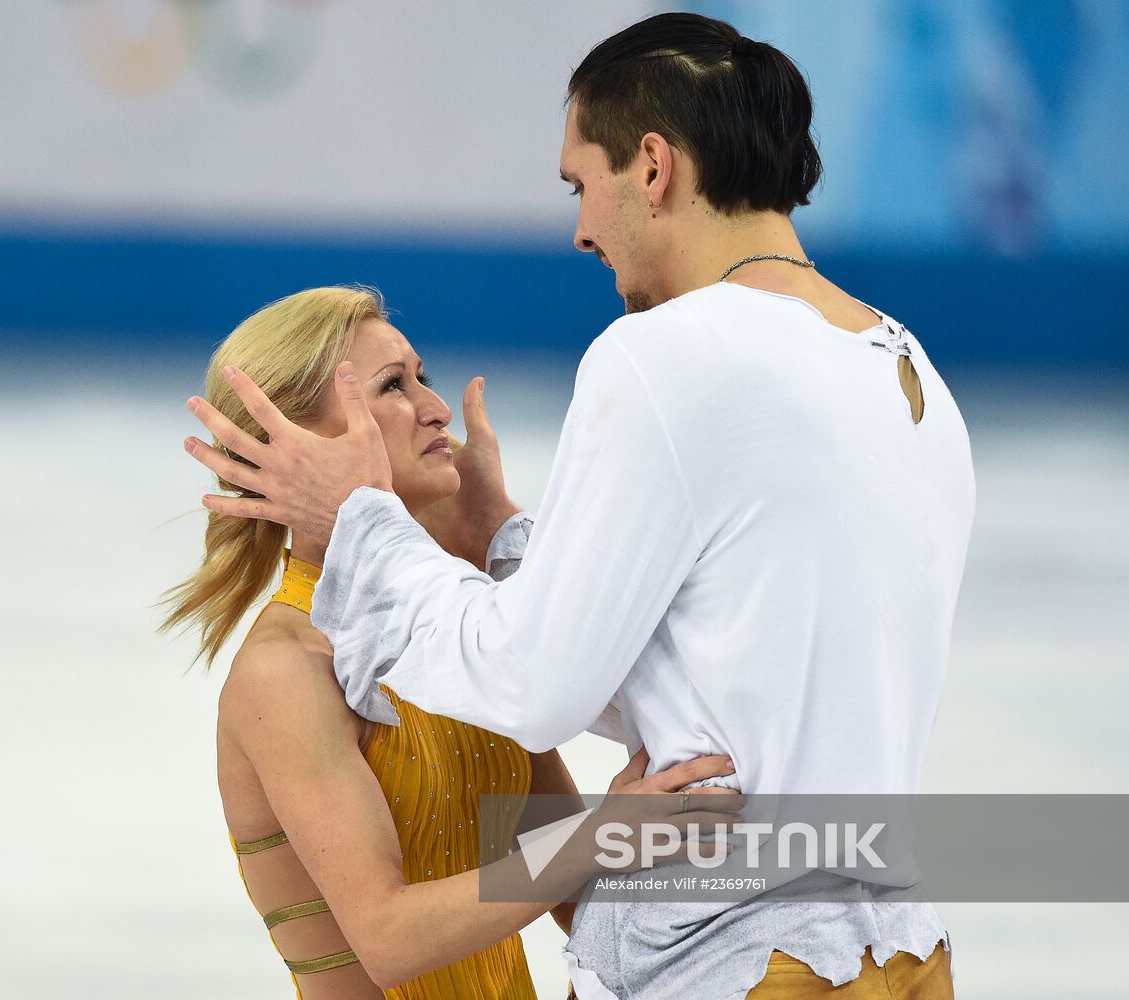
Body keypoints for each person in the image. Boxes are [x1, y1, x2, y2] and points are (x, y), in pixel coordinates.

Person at [182, 13, 973, 999]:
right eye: (392, 386)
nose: (578, 229)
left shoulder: (662, 359)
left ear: (651, 167)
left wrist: (398, 535)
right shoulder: (908, 371)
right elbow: (658, 670)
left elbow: (537, 690)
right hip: (892, 946)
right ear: (296, 436)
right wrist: (507, 550)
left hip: (746, 962)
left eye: (579, 184)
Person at [166, 285, 741, 999]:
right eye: (391, 387)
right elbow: (388, 939)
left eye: (421, 377)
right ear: (300, 444)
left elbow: (576, 900)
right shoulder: (286, 670)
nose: (435, 408)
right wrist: (600, 835)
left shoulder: (450, 633)